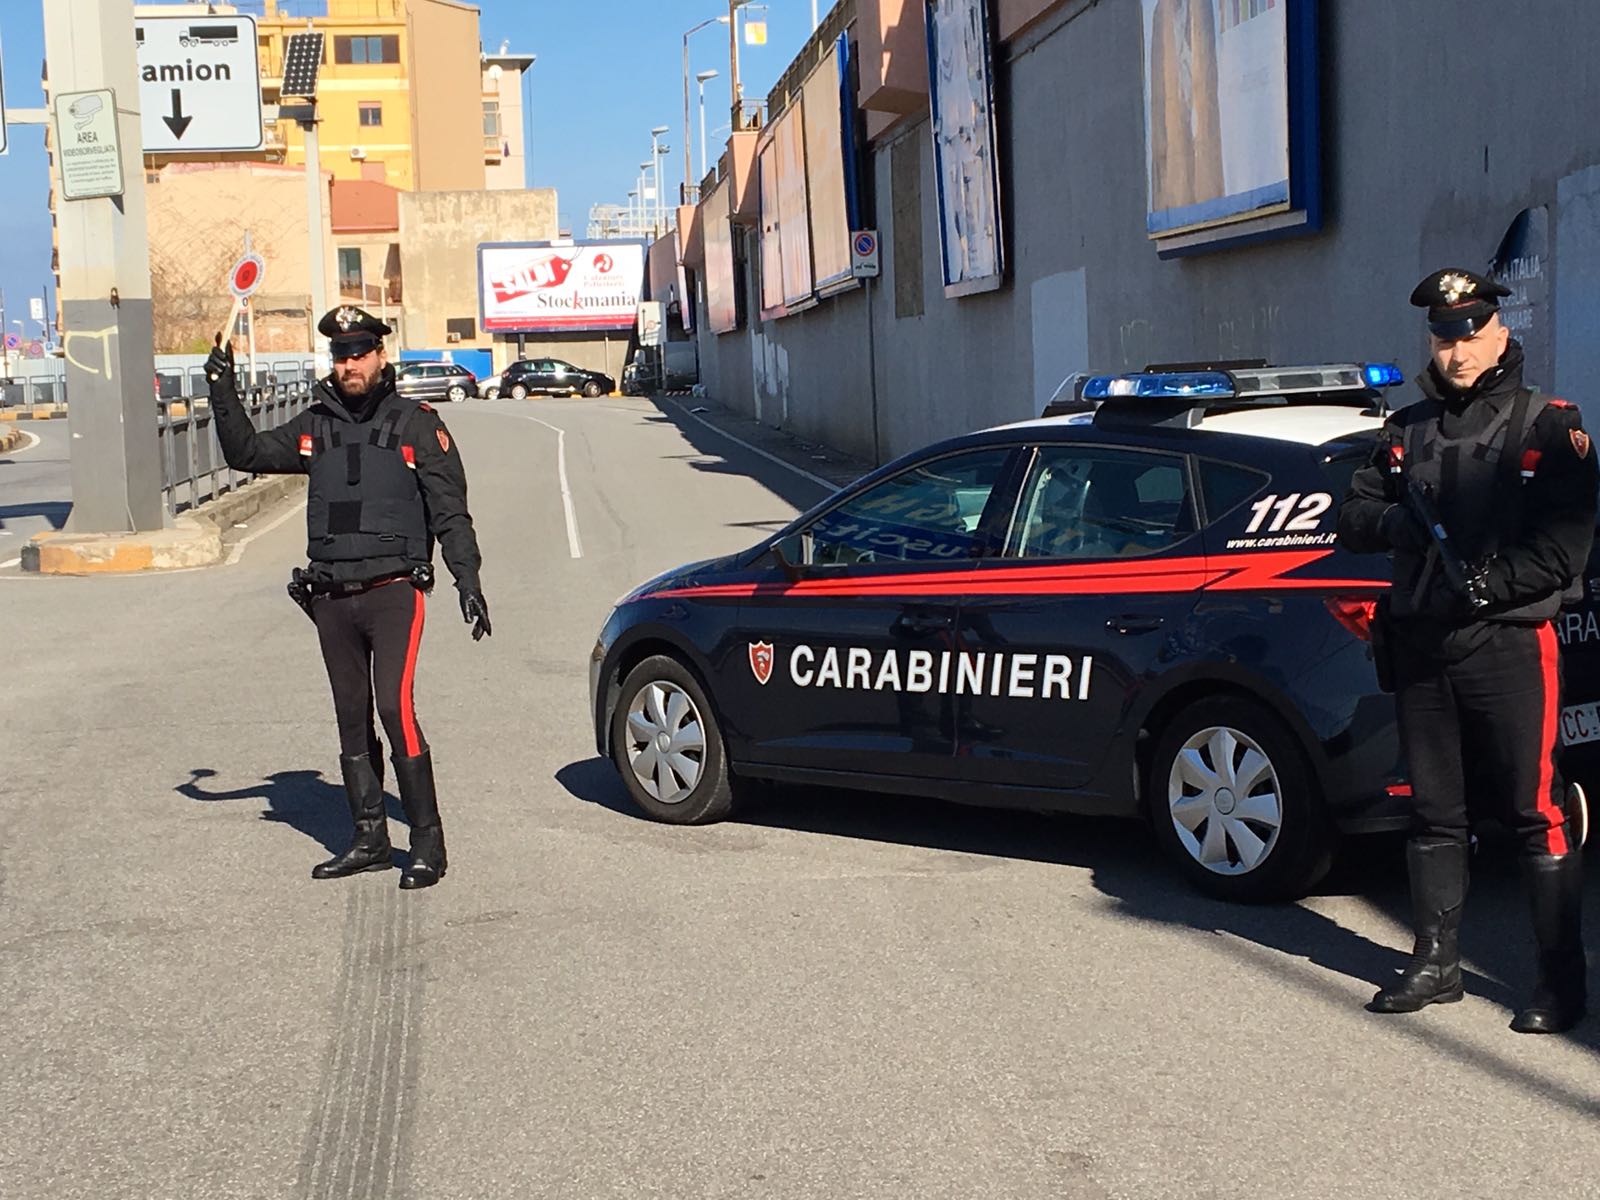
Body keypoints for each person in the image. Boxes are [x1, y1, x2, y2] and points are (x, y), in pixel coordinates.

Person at [1338, 268, 1597, 1033]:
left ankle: (1559, 983)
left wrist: (1492, 584)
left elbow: (1568, 546)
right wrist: (1392, 527)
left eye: (1470, 333)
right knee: (1434, 812)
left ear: (1500, 333)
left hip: (1510, 640)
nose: (1455, 350)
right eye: (1443, 335)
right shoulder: (1405, 428)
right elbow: (1352, 510)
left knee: (1535, 811)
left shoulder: (1549, 425)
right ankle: (1436, 962)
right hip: (1423, 641)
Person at [206, 305, 491, 890]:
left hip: (394, 594)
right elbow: (246, 453)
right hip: (331, 595)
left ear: (381, 355)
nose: (350, 363)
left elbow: (450, 512)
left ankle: (427, 843)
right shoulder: (315, 426)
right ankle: (367, 838)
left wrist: (468, 580)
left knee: (393, 708)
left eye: (360, 352)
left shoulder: (417, 424)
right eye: (340, 354)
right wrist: (222, 387)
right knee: (350, 716)